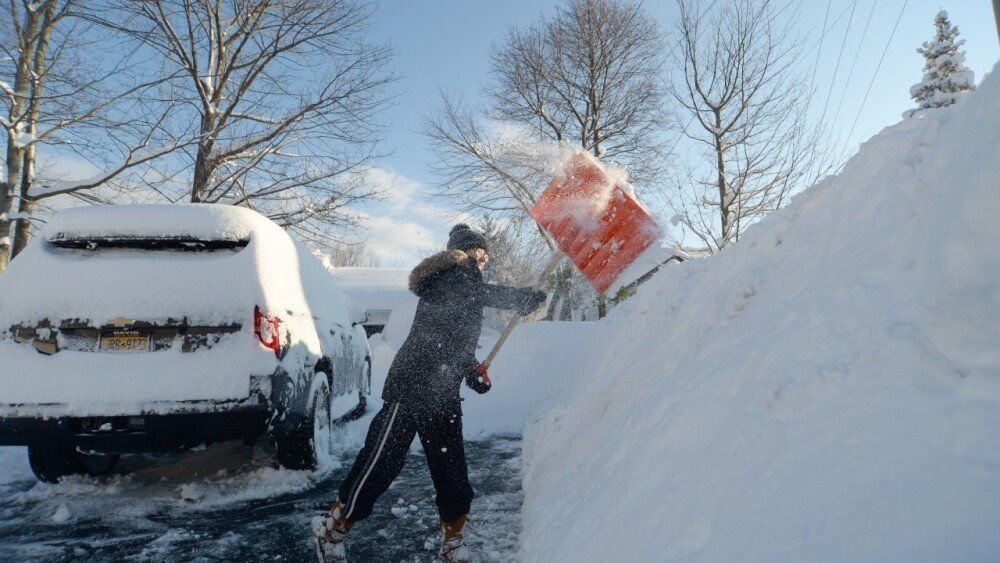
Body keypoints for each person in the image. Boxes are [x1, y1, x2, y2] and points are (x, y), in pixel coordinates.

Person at [312, 223, 548, 563]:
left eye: (485, 257)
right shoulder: (446, 278)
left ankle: (453, 544)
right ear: (464, 253)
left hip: (442, 393)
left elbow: (454, 344)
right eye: (480, 254)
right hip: (411, 388)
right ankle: (332, 528)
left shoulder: (466, 289)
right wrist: (517, 298)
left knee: (452, 473)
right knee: (381, 463)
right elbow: (466, 294)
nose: (484, 261)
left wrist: (472, 372)